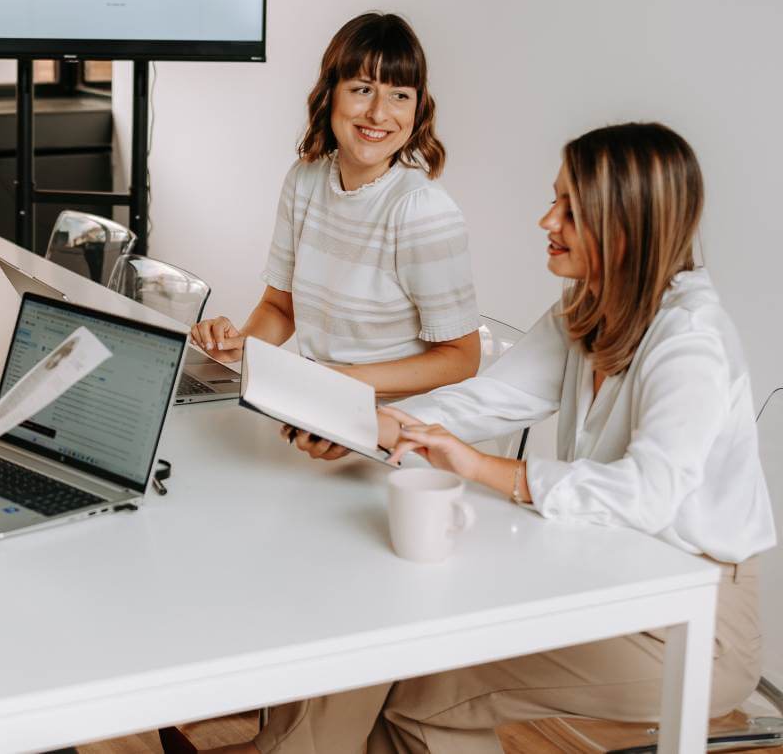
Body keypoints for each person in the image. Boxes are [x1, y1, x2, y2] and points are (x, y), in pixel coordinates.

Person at [182, 122, 773, 754]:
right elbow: (490, 397)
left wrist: (488, 470)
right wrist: (370, 423)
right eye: (555, 199)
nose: (546, 220)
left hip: (689, 618)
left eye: (570, 210)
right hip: (597, 565)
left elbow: (647, 494)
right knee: (377, 620)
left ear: (625, 227)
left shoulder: (690, 343)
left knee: (427, 690)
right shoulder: (589, 305)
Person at [190, 13, 480, 397]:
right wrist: (241, 345)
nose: (379, 113)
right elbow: (281, 308)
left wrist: (339, 383)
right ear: (331, 93)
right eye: (362, 89)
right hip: (320, 406)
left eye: (399, 95)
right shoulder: (305, 179)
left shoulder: (421, 210)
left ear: (417, 108)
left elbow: (462, 357)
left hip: (400, 426)